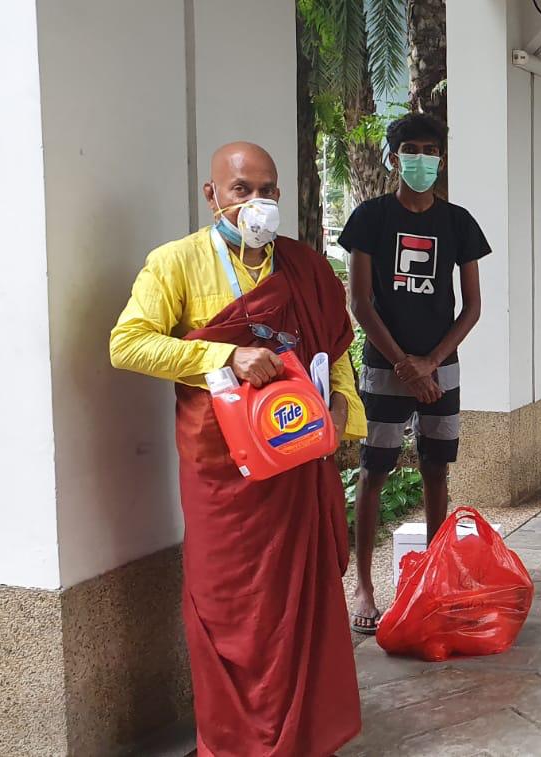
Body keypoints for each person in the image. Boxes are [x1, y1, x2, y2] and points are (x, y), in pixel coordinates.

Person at [109, 142, 364, 756]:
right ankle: (233, 742)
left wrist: (341, 412)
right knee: (226, 605)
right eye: (241, 190)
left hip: (296, 458)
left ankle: (303, 735)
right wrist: (225, 355)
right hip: (220, 470)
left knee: (299, 601)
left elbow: (334, 348)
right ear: (212, 196)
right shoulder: (175, 263)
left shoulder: (306, 267)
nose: (257, 202)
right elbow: (128, 344)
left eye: (268, 190)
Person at [339, 113, 489, 633]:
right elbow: (361, 302)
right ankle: (363, 585)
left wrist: (431, 363)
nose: (421, 159)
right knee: (373, 471)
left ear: (441, 159)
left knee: (436, 469)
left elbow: (472, 306)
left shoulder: (459, 223)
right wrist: (405, 365)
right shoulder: (370, 218)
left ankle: (435, 572)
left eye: (430, 150)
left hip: (441, 368)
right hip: (386, 368)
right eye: (411, 150)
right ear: (393, 157)